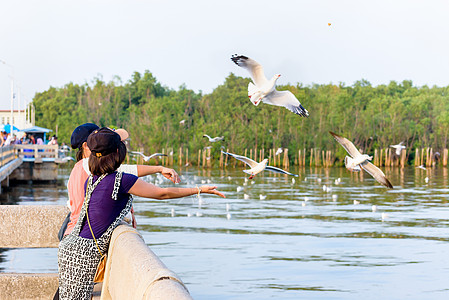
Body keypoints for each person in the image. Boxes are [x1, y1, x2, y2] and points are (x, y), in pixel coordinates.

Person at [57, 128, 224, 299]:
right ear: (117, 153)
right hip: (83, 253)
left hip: (71, 246)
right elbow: (162, 193)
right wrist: (199, 189)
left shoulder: (93, 179)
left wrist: (158, 169)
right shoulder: (121, 180)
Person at [60, 123, 181, 239]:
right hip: (85, 236)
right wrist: (159, 169)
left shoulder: (78, 168)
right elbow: (126, 172)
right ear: (86, 146)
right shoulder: (88, 165)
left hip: (75, 233)